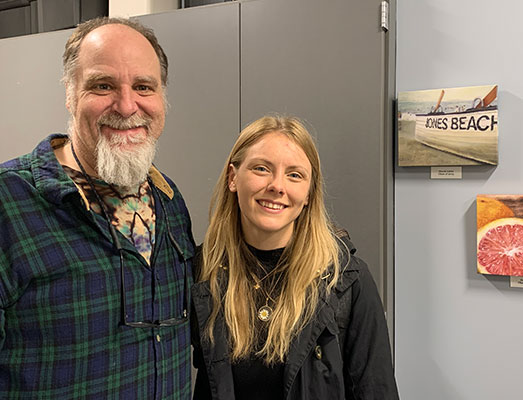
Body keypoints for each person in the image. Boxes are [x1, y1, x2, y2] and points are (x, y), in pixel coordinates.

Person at [0, 17, 194, 398]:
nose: (126, 106)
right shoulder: (9, 202)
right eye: (103, 86)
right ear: (70, 95)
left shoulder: (169, 198)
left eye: (143, 86)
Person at [191, 115, 399, 399]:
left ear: (309, 193)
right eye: (261, 168)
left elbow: (376, 391)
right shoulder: (202, 273)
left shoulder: (347, 280)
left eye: (294, 174)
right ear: (232, 178)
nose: (277, 186)